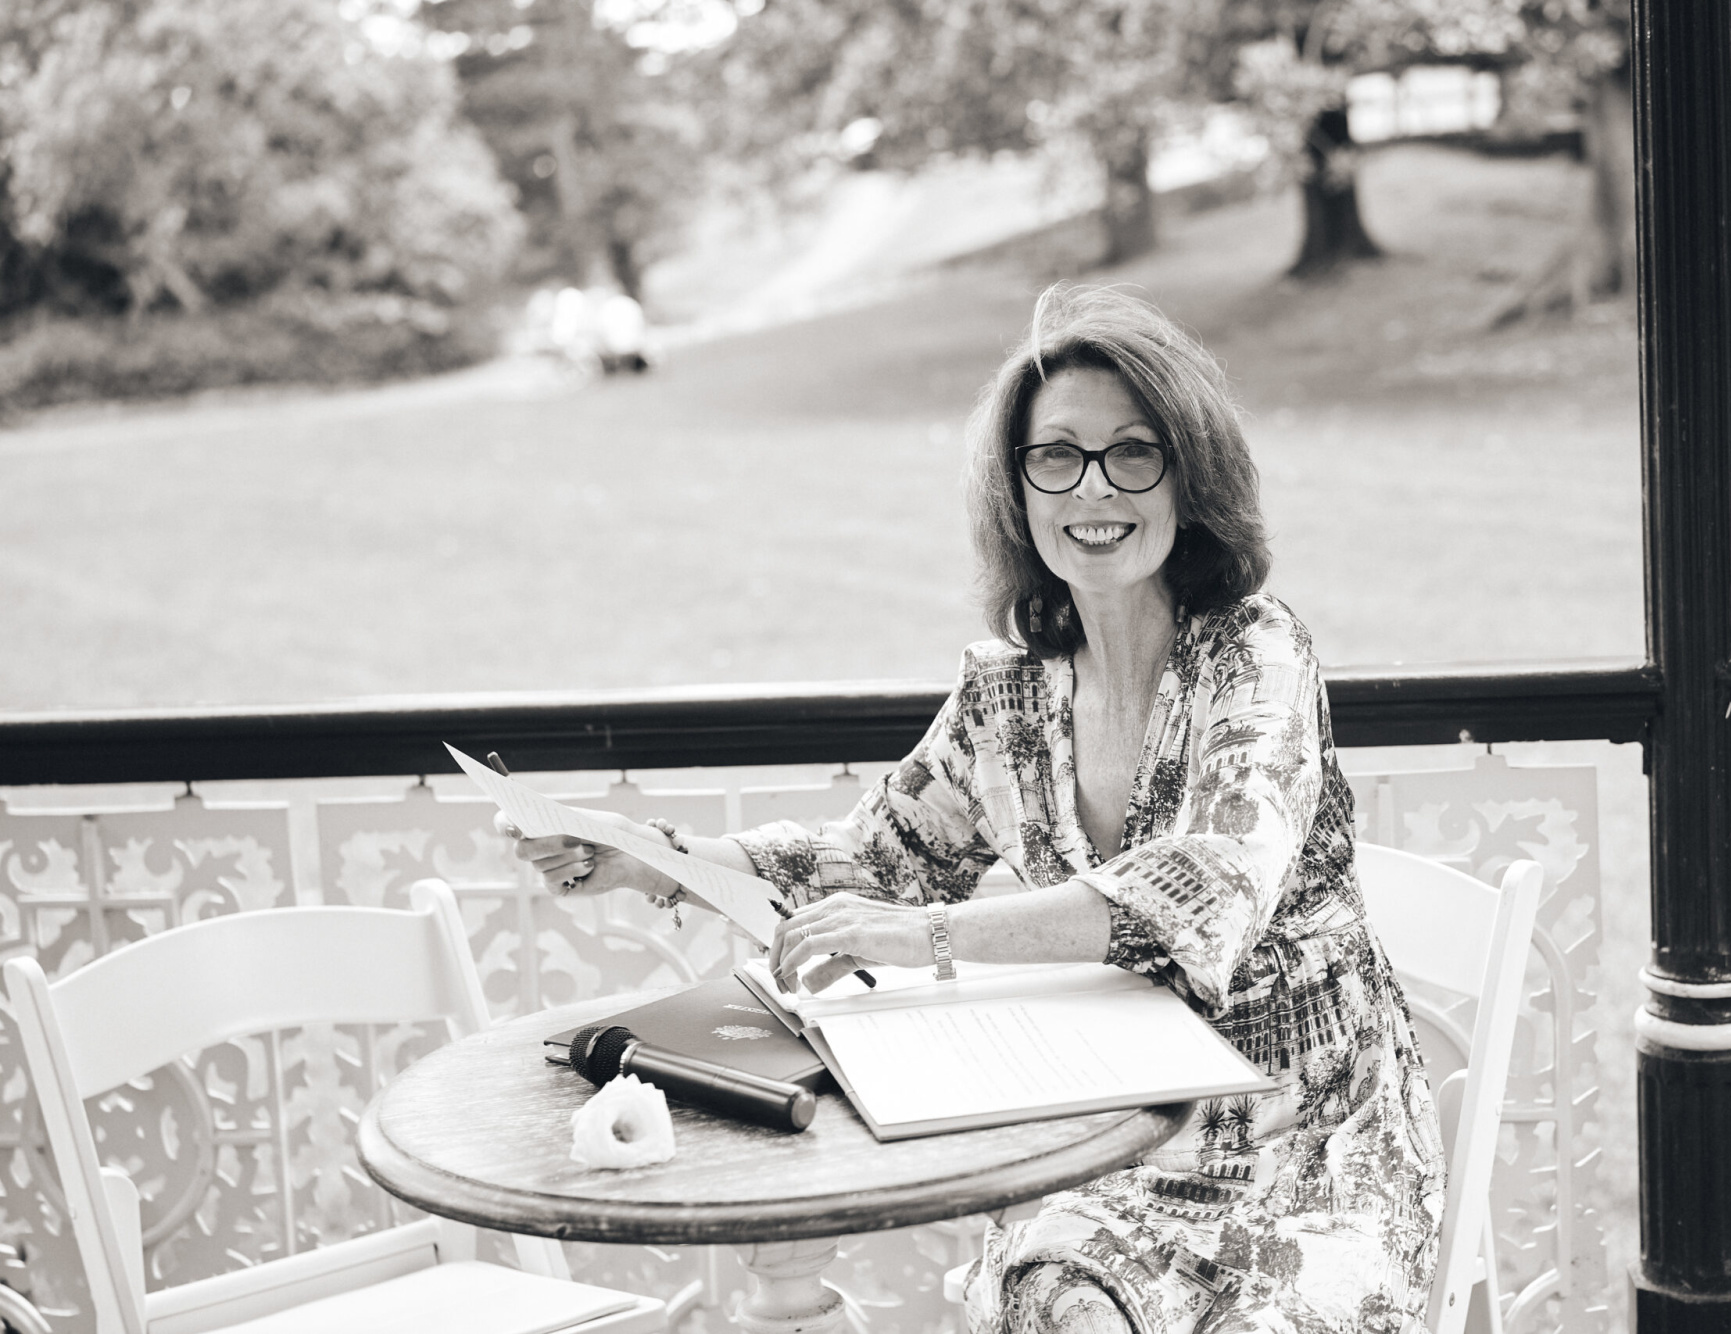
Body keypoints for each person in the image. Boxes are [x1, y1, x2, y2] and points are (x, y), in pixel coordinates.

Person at [502, 286, 1445, 1334]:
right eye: (1057, 455)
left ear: (1190, 477)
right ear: (1017, 486)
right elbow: (874, 859)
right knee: (1056, 1298)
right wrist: (653, 856)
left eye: (1133, 452)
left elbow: (1212, 881)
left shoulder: (1254, 651)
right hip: (1112, 1136)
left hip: (1311, 1135)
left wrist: (929, 938)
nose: (1094, 488)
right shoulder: (1005, 692)